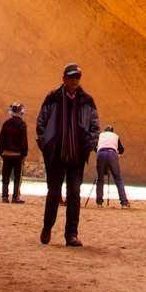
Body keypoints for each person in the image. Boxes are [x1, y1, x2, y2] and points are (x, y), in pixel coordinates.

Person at [35, 63, 101, 246]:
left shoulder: (87, 101)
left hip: (76, 157)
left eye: (77, 78)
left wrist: (89, 144)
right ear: (63, 78)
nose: (74, 81)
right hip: (56, 156)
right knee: (54, 192)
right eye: (71, 77)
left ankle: (71, 234)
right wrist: (46, 146)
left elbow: (95, 125)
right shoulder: (53, 98)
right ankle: (47, 227)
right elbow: (41, 123)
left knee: (74, 194)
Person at [90, 122, 130, 207]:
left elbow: (94, 147)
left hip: (101, 153)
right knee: (118, 179)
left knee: (100, 178)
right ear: (112, 131)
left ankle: (99, 203)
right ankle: (124, 203)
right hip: (112, 154)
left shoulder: (100, 135)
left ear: (105, 131)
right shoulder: (115, 136)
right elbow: (122, 150)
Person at [0, 102, 29, 203]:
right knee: (17, 178)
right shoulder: (22, 124)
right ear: (21, 112)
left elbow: (1, 139)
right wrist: (24, 153)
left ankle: (4, 197)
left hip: (6, 154)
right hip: (18, 155)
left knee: (5, 176)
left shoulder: (6, 123)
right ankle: (15, 197)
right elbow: (24, 141)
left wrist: (1, 152)